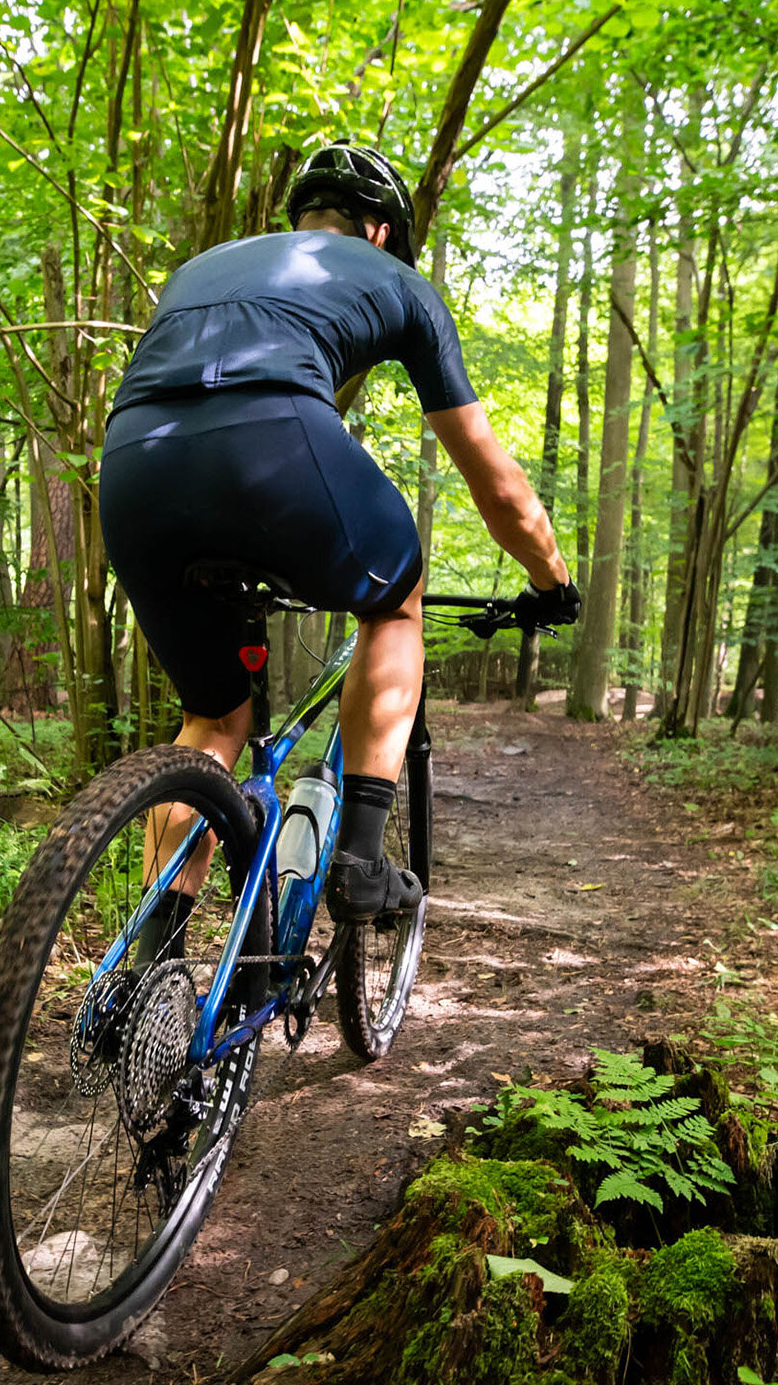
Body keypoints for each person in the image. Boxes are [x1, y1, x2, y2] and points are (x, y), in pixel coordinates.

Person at [100, 141, 579, 931]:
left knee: (211, 722)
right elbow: (496, 484)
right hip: (274, 440)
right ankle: (359, 859)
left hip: (132, 464)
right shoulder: (398, 281)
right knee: (394, 603)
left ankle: (149, 963)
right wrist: (551, 580)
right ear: (383, 231)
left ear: (302, 219)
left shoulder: (204, 266)